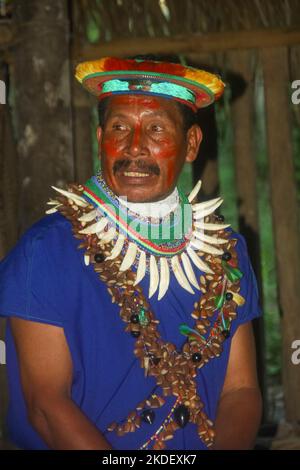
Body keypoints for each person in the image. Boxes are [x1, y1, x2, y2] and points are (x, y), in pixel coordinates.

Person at [0, 56, 262, 450]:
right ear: (100, 136)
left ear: (191, 144)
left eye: (156, 129)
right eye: (120, 128)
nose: (134, 146)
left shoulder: (225, 253)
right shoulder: (47, 250)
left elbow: (241, 390)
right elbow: (47, 405)